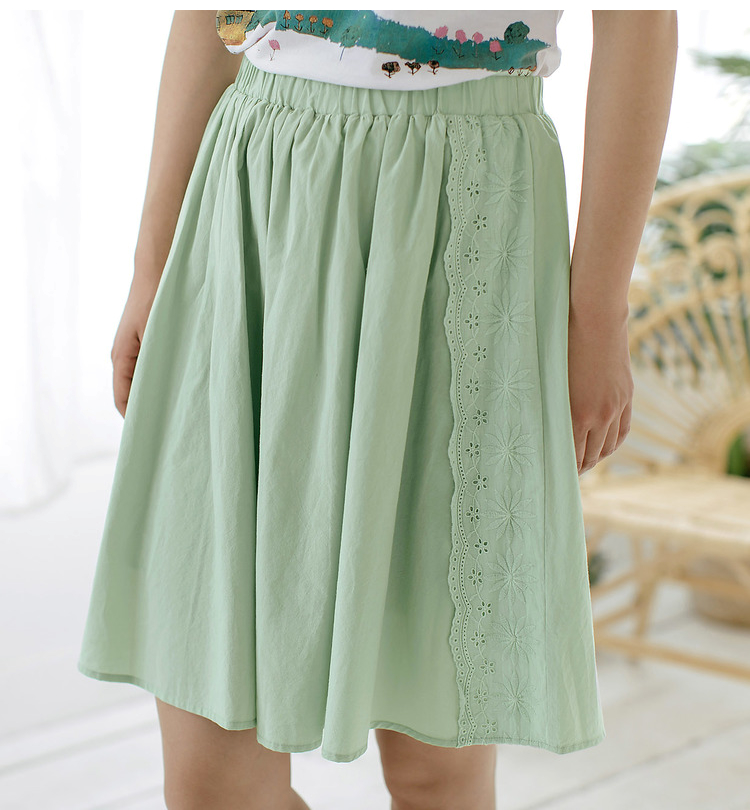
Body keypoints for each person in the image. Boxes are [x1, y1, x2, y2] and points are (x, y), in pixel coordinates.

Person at [77, 10, 677, 810]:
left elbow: (639, 25)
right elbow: (208, 17)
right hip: (260, 185)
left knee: (438, 776)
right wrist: (152, 265)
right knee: (213, 783)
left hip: (468, 198)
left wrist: (597, 314)